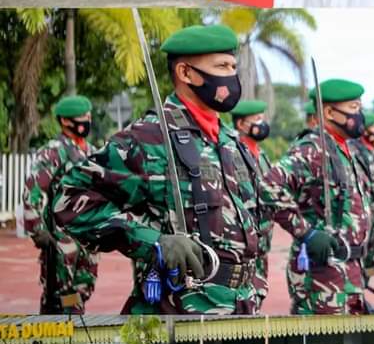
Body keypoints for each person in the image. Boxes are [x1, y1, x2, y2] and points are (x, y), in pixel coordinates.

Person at [54, 25, 262, 316]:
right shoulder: (149, 138)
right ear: (186, 73)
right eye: (221, 66)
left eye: (232, 66)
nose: (231, 75)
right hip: (178, 313)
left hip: (242, 308)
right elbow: (69, 200)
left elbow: (254, 221)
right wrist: (155, 242)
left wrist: (257, 284)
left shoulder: (230, 142)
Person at [261, 79, 371, 315]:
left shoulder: (344, 150)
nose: (360, 115)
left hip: (350, 270)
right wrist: (306, 233)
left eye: (360, 107)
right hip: (323, 272)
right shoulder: (313, 149)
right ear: (329, 112)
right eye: (353, 108)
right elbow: (269, 186)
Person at [22, 95, 99, 315]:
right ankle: (54, 339)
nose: (87, 120)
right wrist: (38, 232)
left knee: (82, 291)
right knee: (59, 299)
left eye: (88, 116)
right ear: (65, 121)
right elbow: (32, 191)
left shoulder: (92, 152)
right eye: (82, 117)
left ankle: (72, 327)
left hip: (88, 240)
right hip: (62, 242)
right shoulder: (54, 151)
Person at [231, 99, 274, 310]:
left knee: (259, 295)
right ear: (241, 125)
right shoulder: (232, 153)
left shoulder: (262, 156)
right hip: (243, 245)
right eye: (256, 119)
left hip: (262, 244)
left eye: (262, 118)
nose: (262, 123)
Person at [349, 110, 374, 284]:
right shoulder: (357, 149)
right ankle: (361, 282)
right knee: (363, 244)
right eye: (373, 127)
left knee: (373, 242)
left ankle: (368, 277)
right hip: (366, 204)